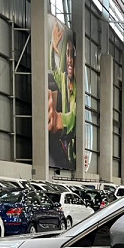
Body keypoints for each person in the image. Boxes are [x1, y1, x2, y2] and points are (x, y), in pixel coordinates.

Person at [48, 29, 78, 167]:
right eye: (67, 54)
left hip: (74, 152)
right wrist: (52, 46)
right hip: (66, 148)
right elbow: (54, 69)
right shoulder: (64, 80)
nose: (70, 60)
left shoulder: (78, 89)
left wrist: (57, 118)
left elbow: (73, 117)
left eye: (72, 55)